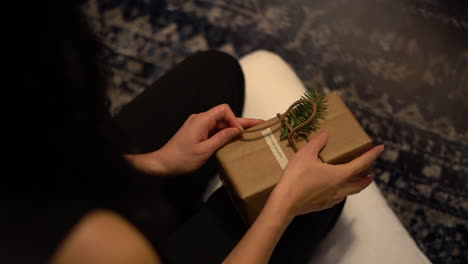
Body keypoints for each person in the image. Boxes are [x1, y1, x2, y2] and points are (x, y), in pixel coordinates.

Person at [1, 1, 384, 263]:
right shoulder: (96, 242)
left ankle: (181, 208)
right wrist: (283, 206)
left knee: (214, 73)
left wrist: (156, 162)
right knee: (314, 207)